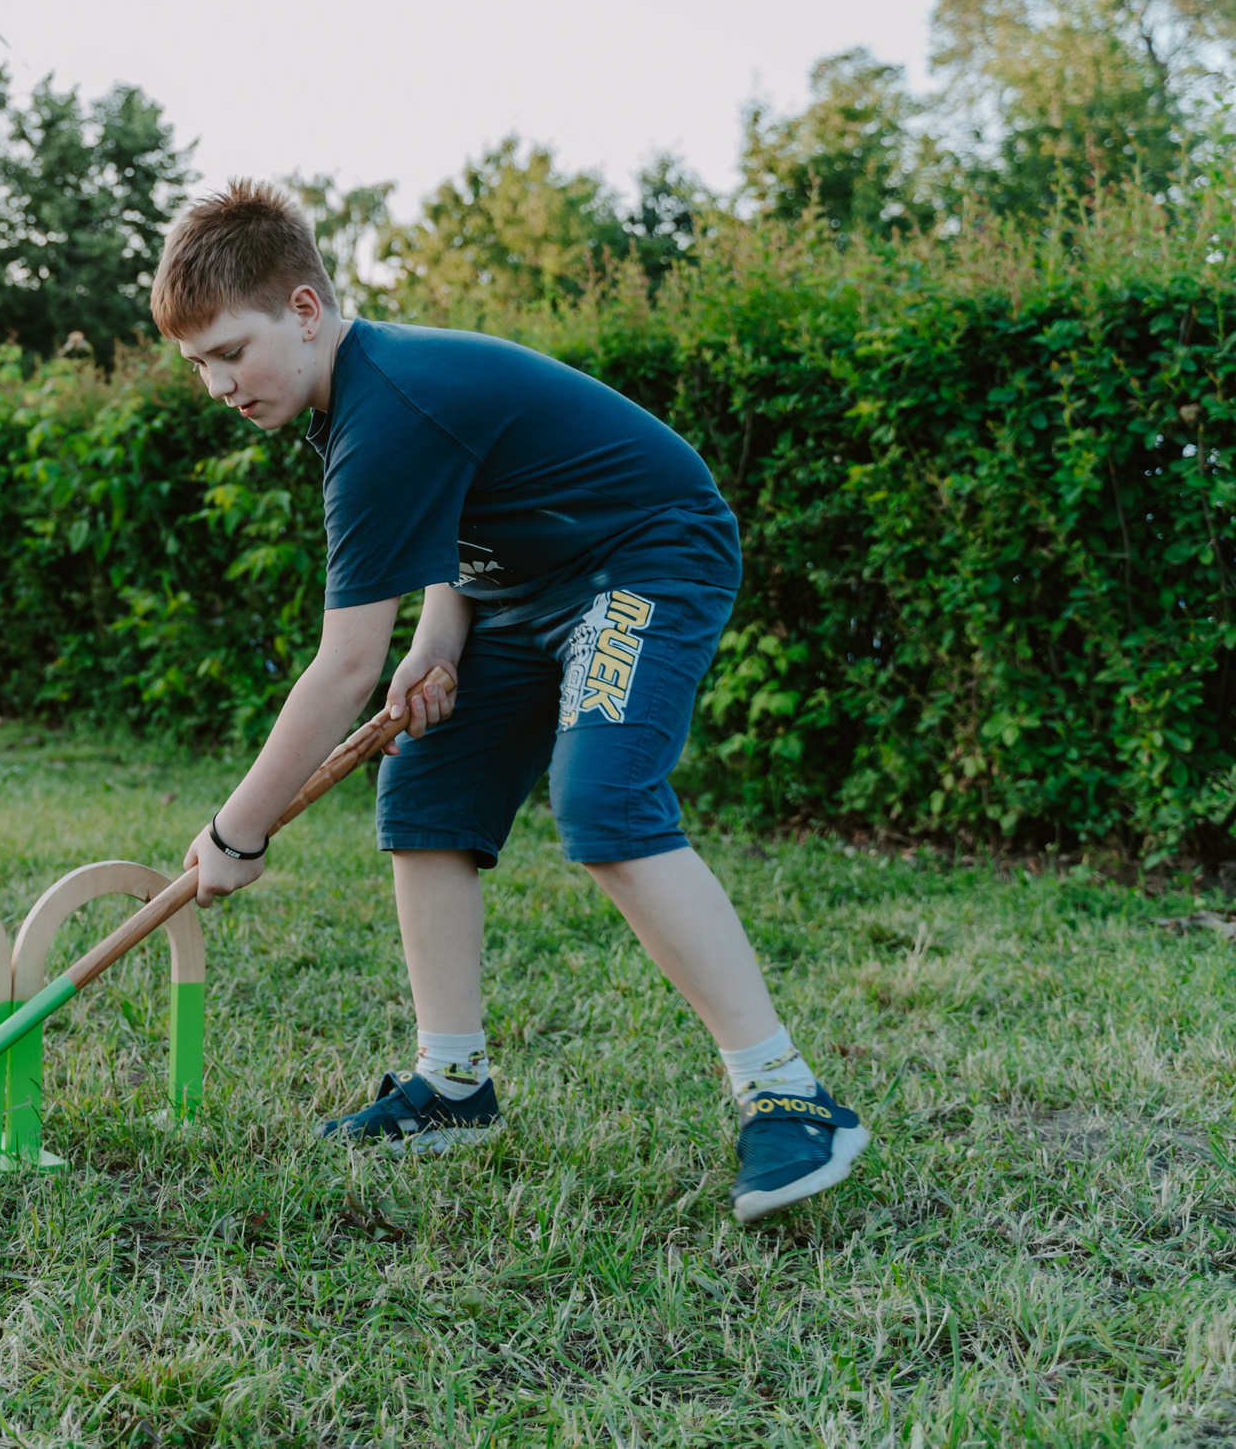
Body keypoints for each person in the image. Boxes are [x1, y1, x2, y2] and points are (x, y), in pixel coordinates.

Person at [155, 181, 866, 1224]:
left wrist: (238, 832)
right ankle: (452, 1084)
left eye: (229, 352)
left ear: (304, 310)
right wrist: (439, 639)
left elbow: (345, 666)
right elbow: (457, 522)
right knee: (425, 788)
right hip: (518, 587)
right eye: (198, 366)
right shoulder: (348, 394)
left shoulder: (386, 403)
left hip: (641, 558)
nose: (218, 385)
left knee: (604, 801)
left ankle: (789, 1093)